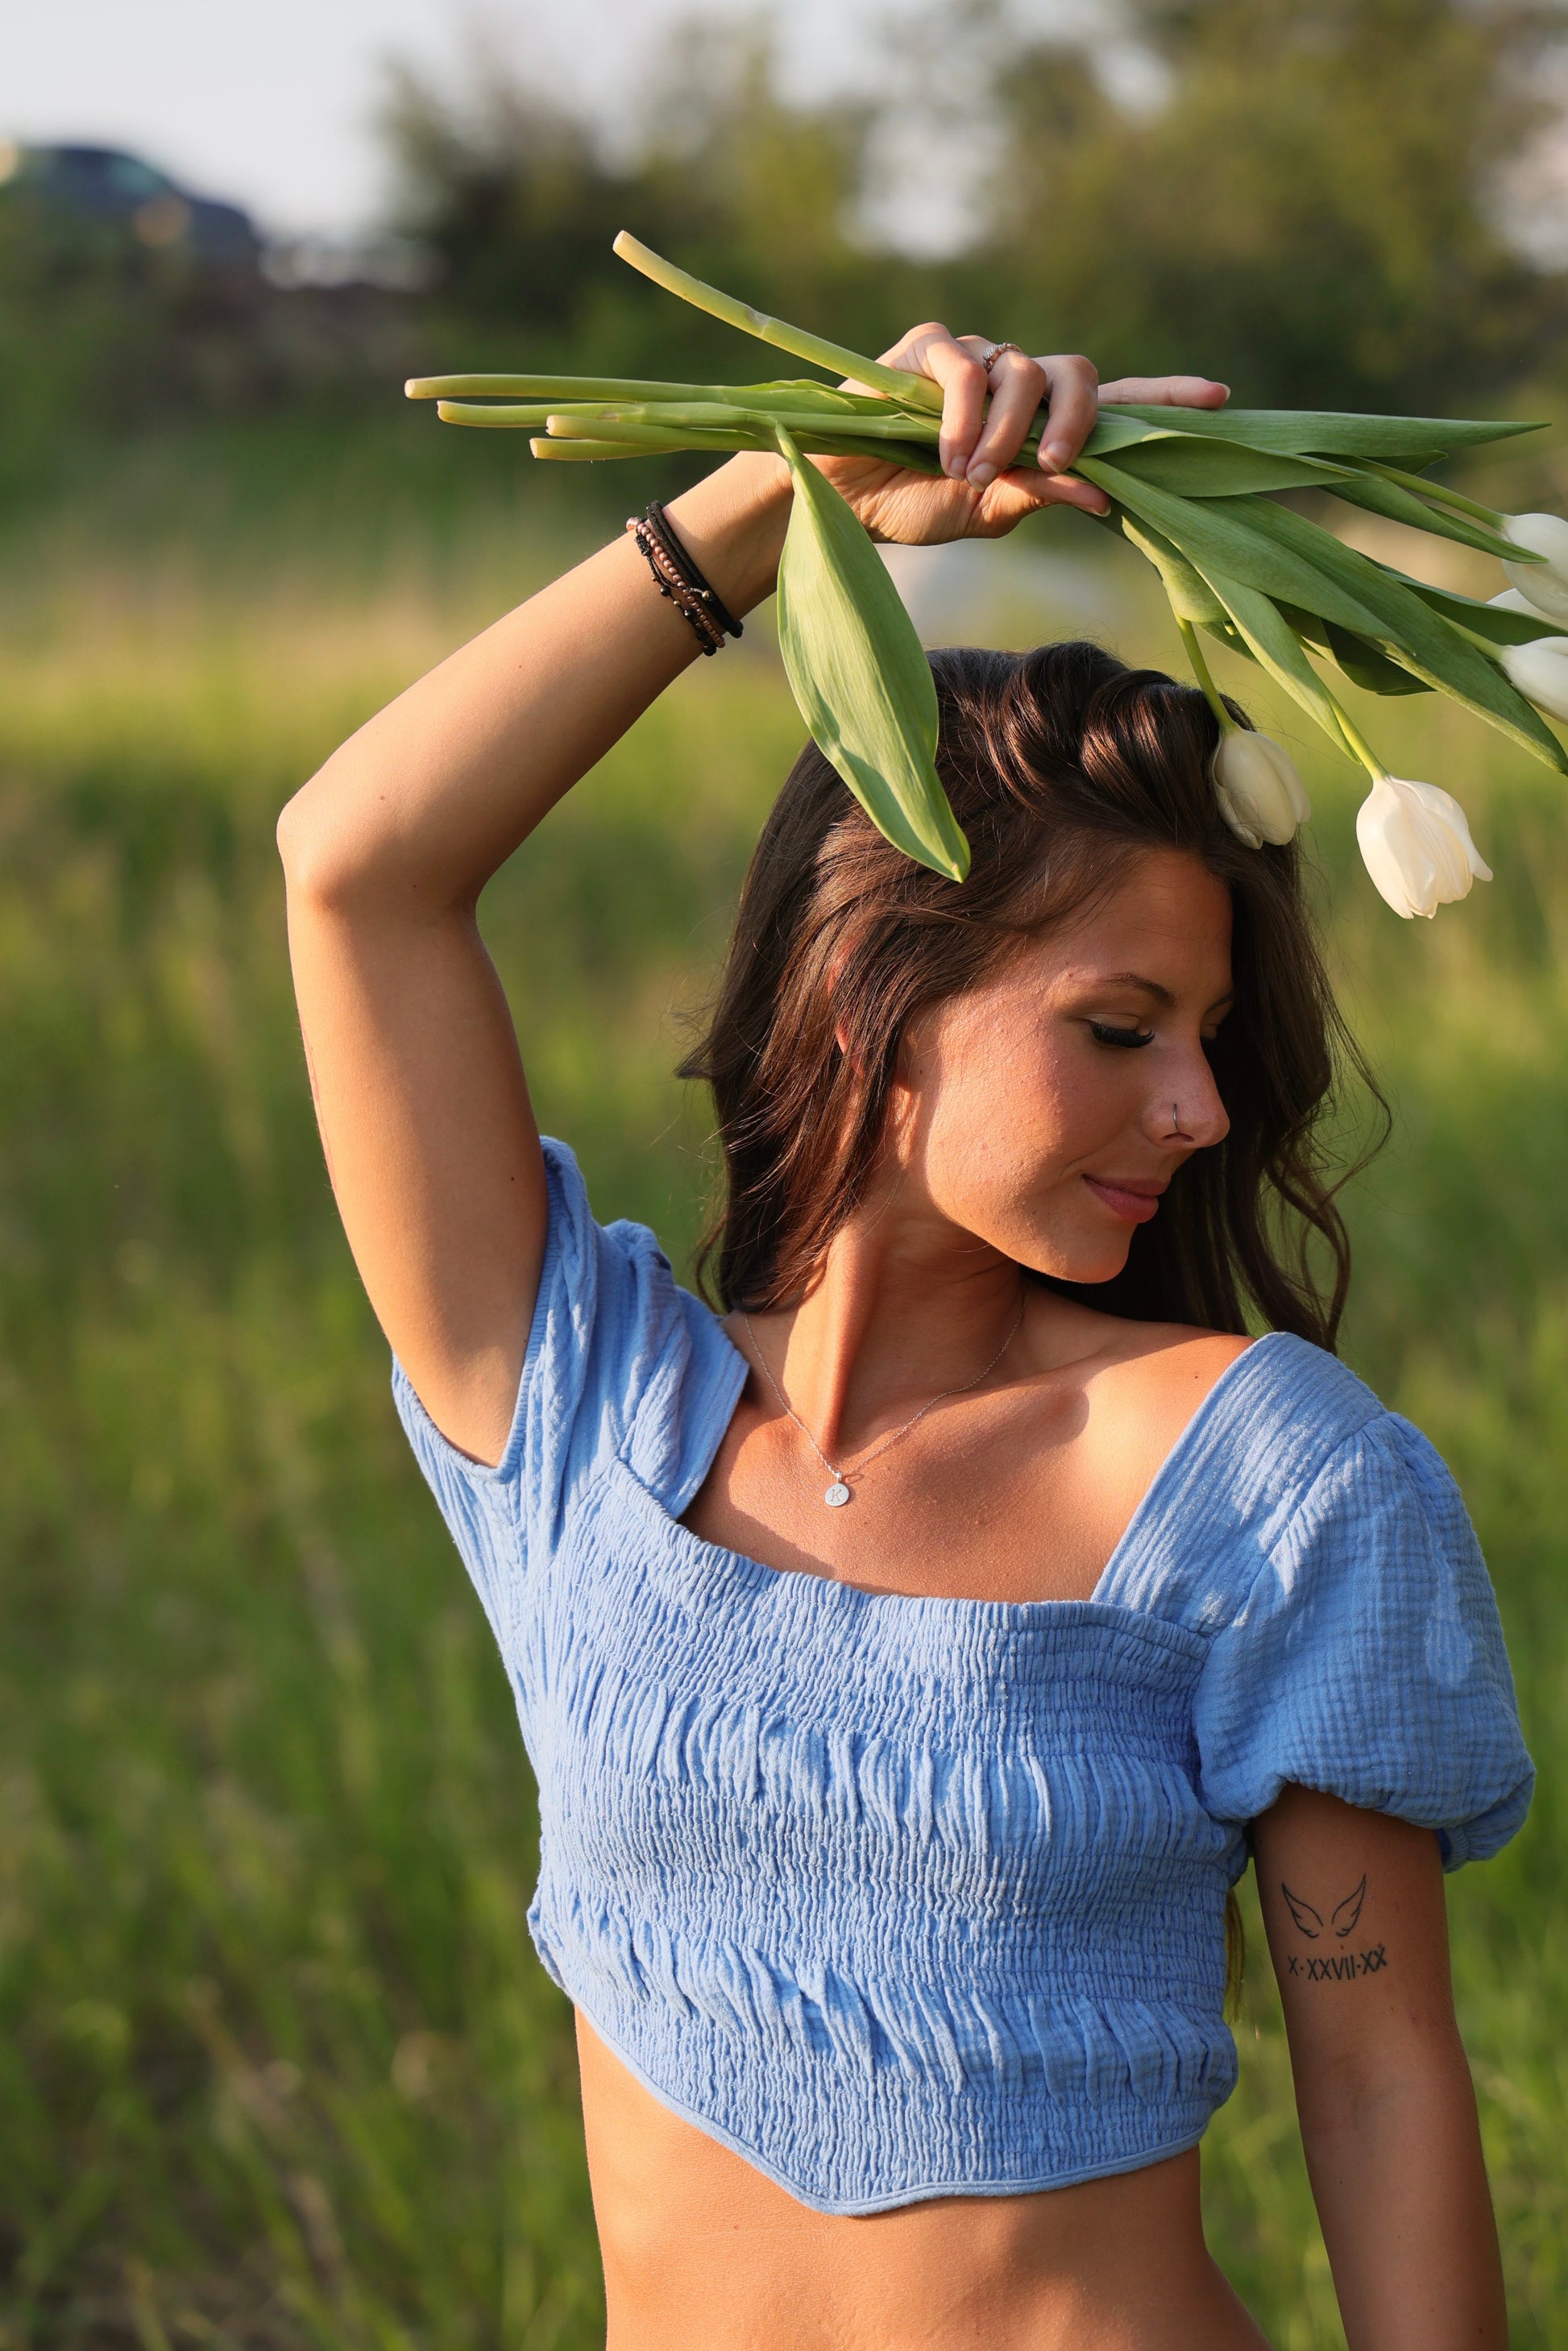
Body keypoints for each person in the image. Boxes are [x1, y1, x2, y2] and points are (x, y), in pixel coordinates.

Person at [277, 326, 1534, 2351]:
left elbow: (1383, 2085)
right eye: (1121, 1030)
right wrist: (789, 498)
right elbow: (354, 868)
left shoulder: (1261, 1471)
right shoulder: (584, 1403)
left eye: (1209, 1044)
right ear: (877, 996)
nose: (1201, 1111)